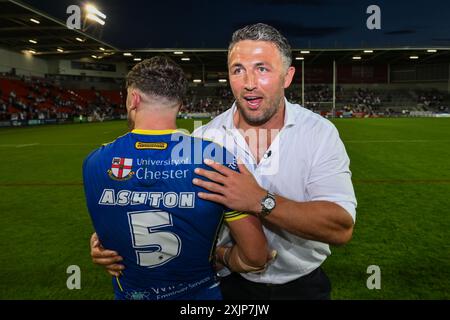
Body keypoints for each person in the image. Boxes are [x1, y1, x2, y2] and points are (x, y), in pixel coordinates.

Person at [91, 23, 357, 300]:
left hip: (302, 287)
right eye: (238, 70)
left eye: (262, 68)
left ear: (287, 76)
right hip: (227, 284)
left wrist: (259, 200)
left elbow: (340, 228)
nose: (249, 83)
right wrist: (112, 240)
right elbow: (163, 209)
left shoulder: (318, 132)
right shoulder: (204, 139)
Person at [83, 56, 271, 300]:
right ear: (180, 104)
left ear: (133, 99)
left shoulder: (95, 162)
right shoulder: (214, 158)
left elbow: (108, 237)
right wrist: (221, 256)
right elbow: (256, 256)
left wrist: (99, 246)